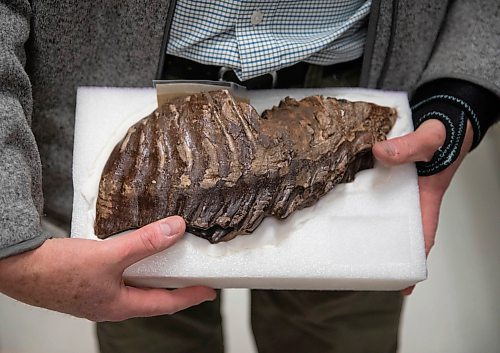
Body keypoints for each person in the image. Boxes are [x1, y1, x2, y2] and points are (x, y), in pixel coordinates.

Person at [0, 0, 498, 352]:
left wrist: (463, 88)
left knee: (339, 333)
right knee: (148, 334)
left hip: (354, 74)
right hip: (129, 83)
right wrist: (9, 242)